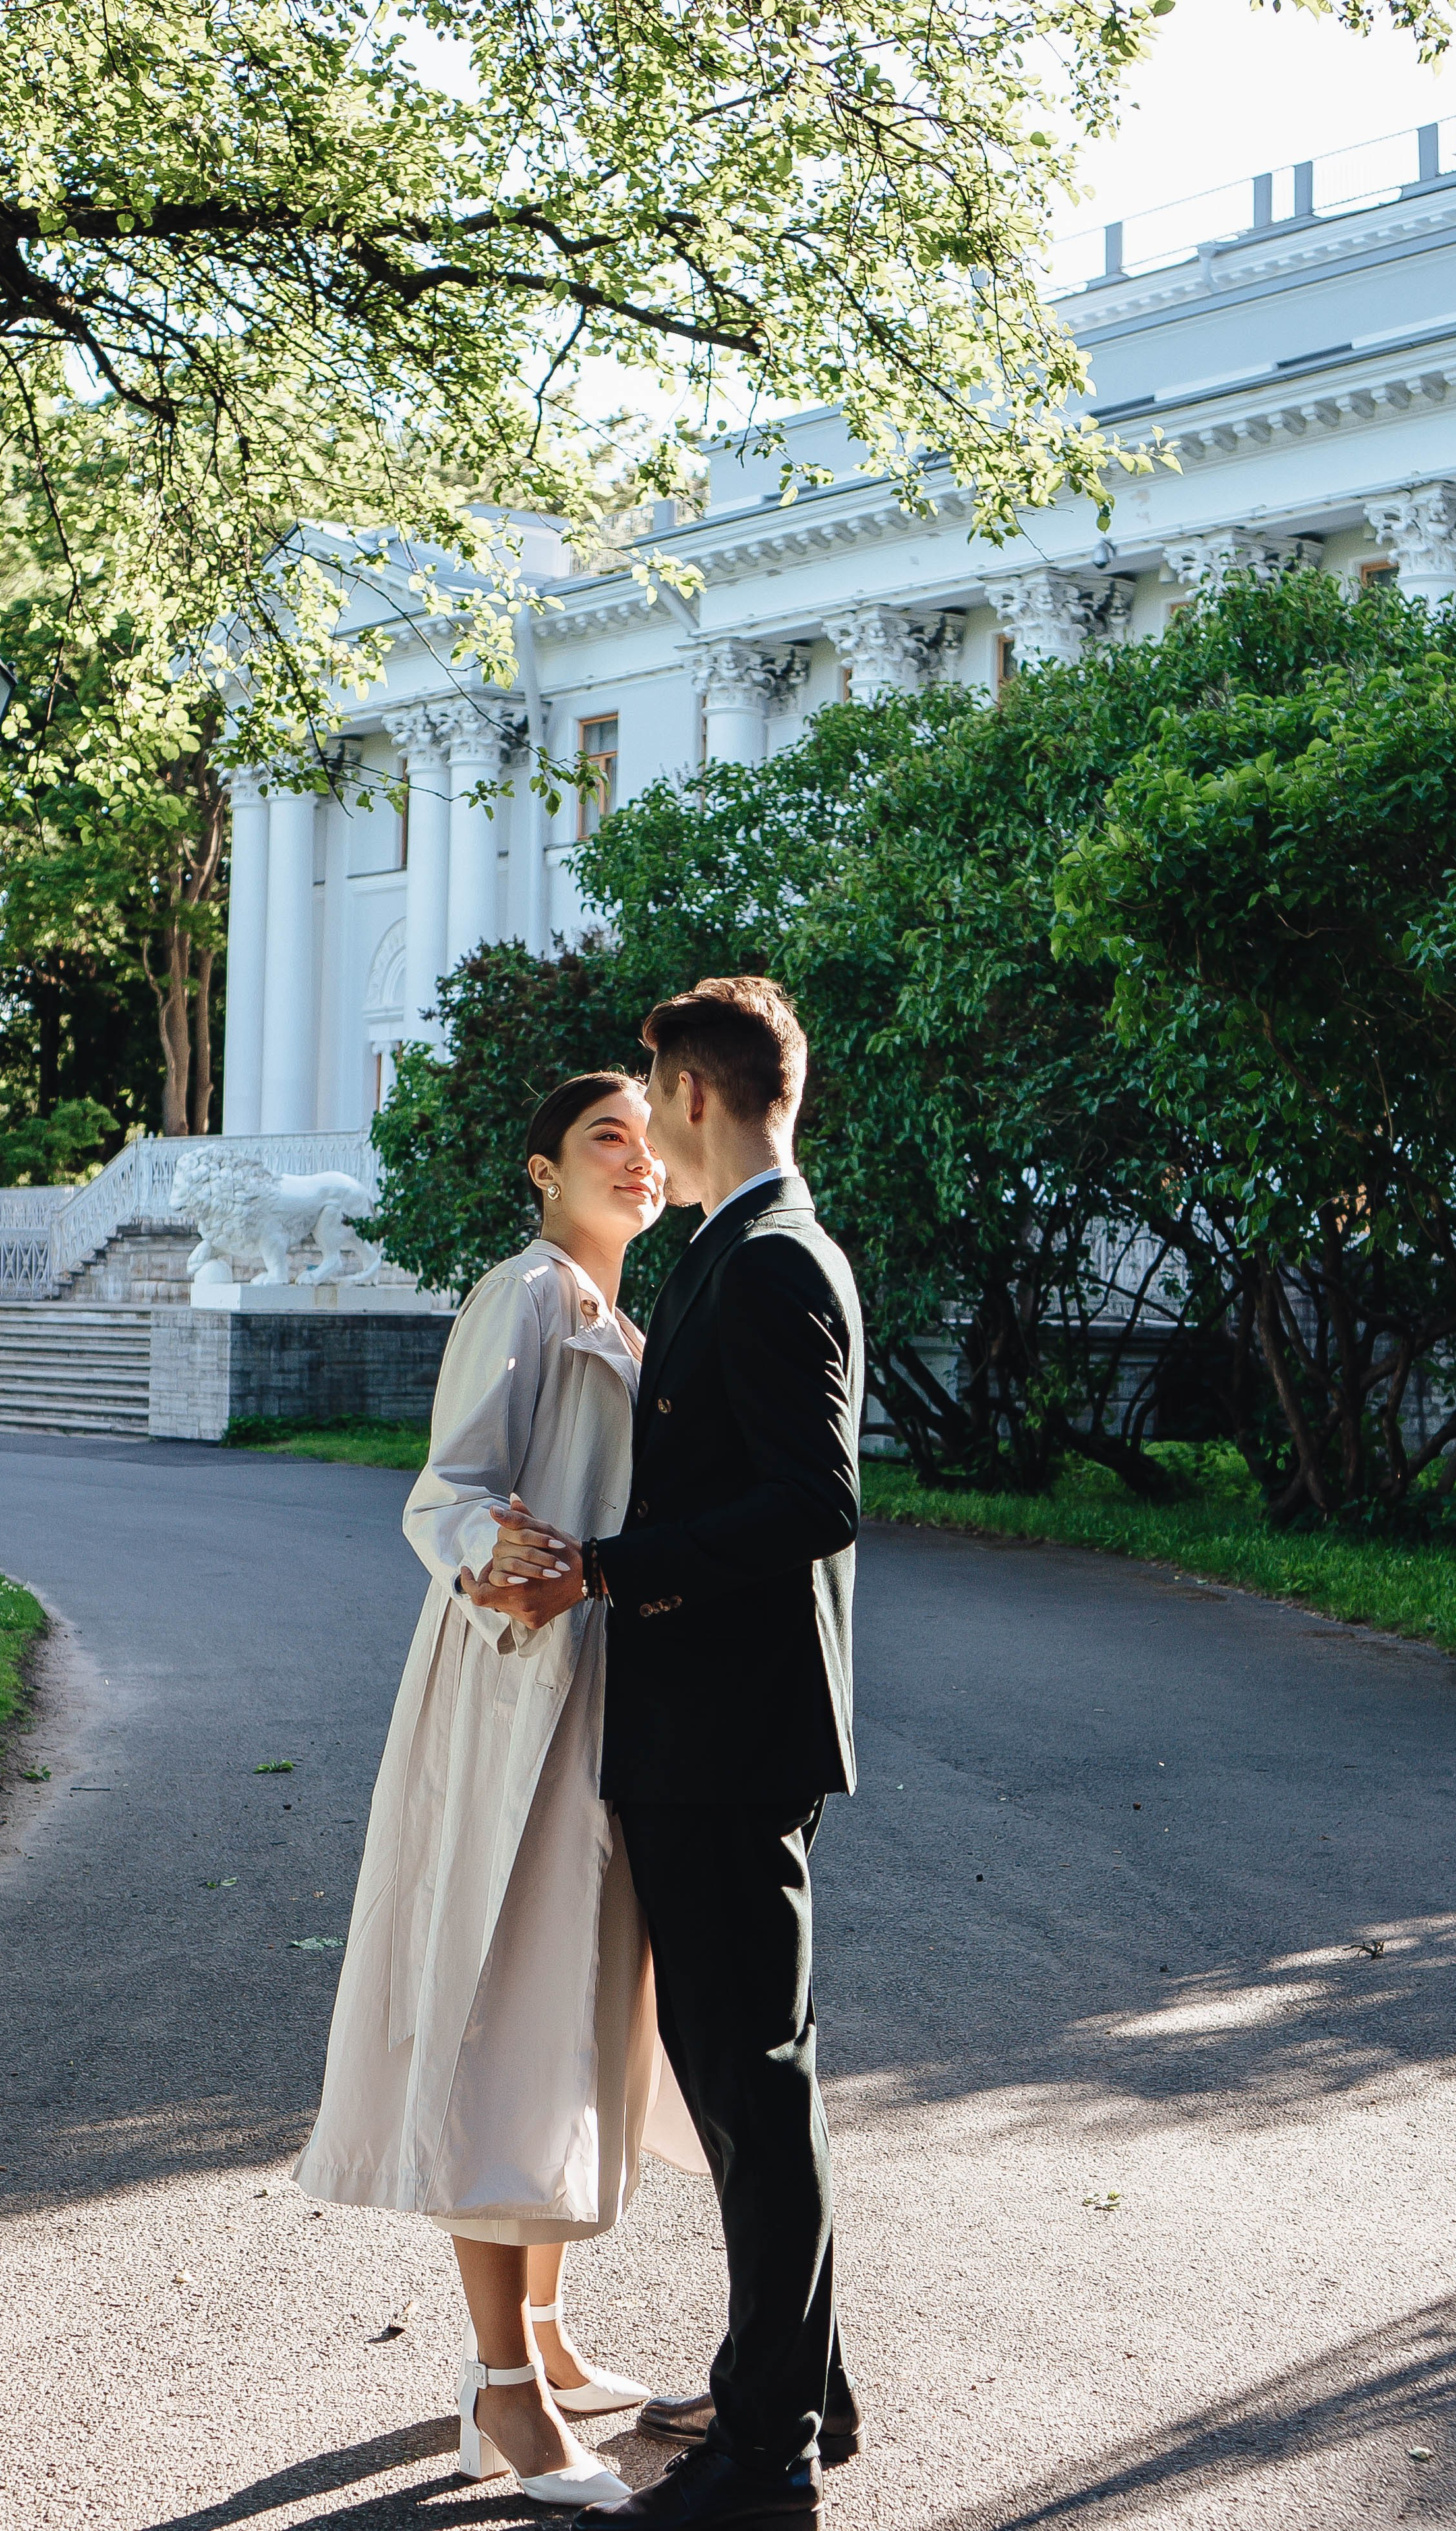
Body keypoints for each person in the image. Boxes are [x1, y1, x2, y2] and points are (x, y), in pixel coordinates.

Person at [483, 977, 865, 2531]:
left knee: (749, 2090)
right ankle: (802, 2388)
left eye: (652, 1095)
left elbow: (813, 1501)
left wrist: (606, 1565)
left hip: (727, 1740)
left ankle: (763, 2448)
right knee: (756, 2086)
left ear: (693, 1095)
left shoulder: (771, 1261)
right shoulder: (736, 1249)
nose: (646, 1124)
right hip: (711, 1733)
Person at [293, 1071, 705, 2510]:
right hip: (512, 1690)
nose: (640, 1159)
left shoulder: (627, 1322)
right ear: (542, 1170)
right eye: (609, 1137)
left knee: (572, 2015)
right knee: (500, 2003)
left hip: (599, 1697)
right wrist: (492, 1567)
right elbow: (444, 1488)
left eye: (655, 1141)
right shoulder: (522, 1293)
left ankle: (539, 2325)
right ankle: (496, 2390)